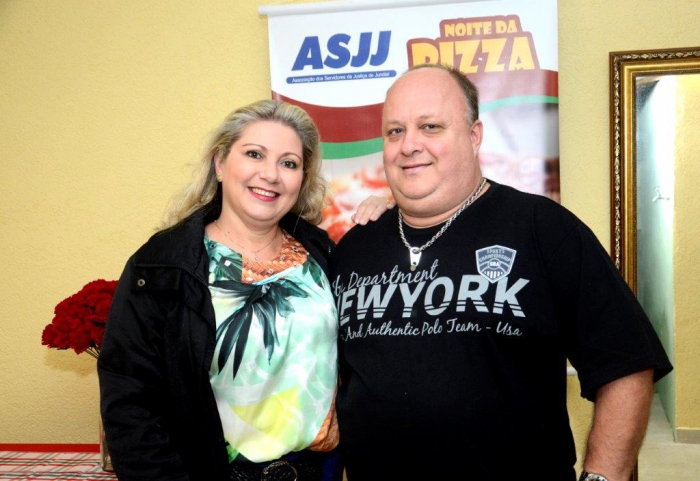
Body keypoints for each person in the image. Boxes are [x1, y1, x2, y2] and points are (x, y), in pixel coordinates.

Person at [329, 64, 672, 481]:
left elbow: (626, 363)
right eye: (395, 131)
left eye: (430, 126)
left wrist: (601, 477)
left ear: (474, 136)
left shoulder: (542, 228)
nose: (409, 145)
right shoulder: (353, 248)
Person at [97, 99, 388, 481]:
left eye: (289, 163)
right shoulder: (162, 266)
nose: (271, 174)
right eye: (254, 154)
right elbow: (129, 400)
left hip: (322, 472)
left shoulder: (325, 255)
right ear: (220, 163)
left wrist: (392, 215)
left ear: (302, 179)